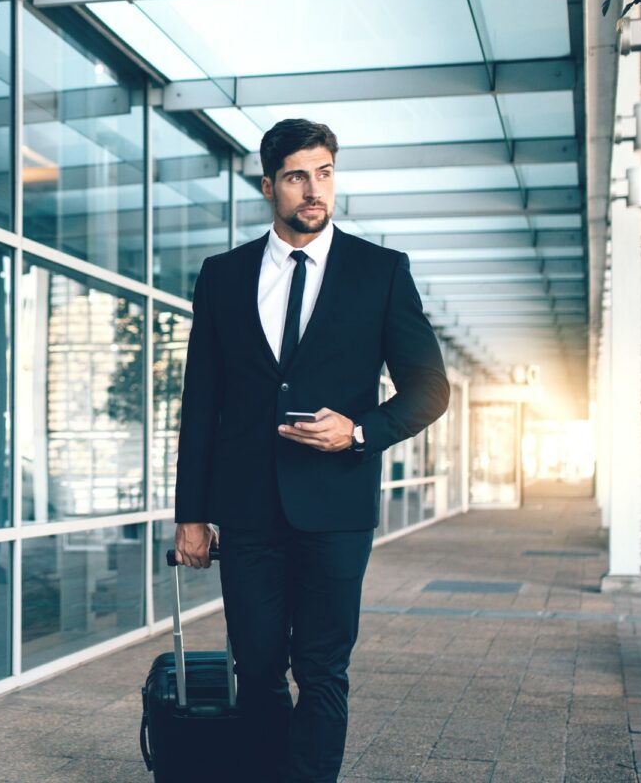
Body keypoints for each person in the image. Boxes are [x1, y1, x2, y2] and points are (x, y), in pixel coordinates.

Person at [173, 118, 450, 782]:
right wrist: (191, 513)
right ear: (269, 185)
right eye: (298, 176)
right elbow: (201, 401)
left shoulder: (379, 272)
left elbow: (430, 389)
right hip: (248, 511)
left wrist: (357, 430)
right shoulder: (223, 276)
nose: (313, 189)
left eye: (324, 172)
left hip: (336, 508)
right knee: (258, 667)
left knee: (323, 672)